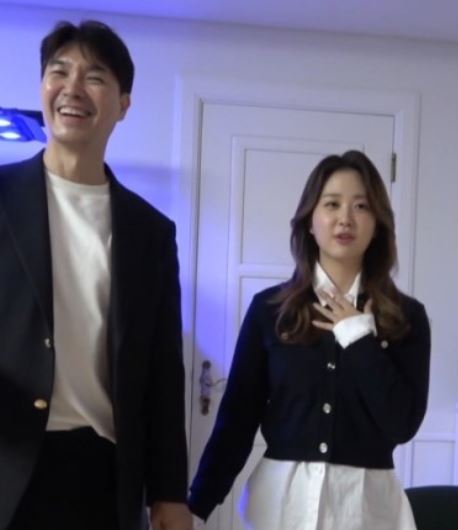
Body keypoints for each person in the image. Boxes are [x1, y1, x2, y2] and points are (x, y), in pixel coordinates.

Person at [0, 20, 192, 530]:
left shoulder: (151, 233)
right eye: (59, 72)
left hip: (101, 475)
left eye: (95, 77)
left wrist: (169, 494)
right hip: (8, 462)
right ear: (42, 88)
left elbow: (162, 374)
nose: (73, 88)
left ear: (123, 104)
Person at [188, 150, 431, 530]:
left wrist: (358, 337)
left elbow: (402, 424)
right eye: (332, 204)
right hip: (281, 507)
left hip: (367, 511)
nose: (345, 218)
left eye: (361, 206)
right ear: (310, 221)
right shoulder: (270, 311)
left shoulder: (406, 317)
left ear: (378, 224)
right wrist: (195, 506)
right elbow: (236, 421)